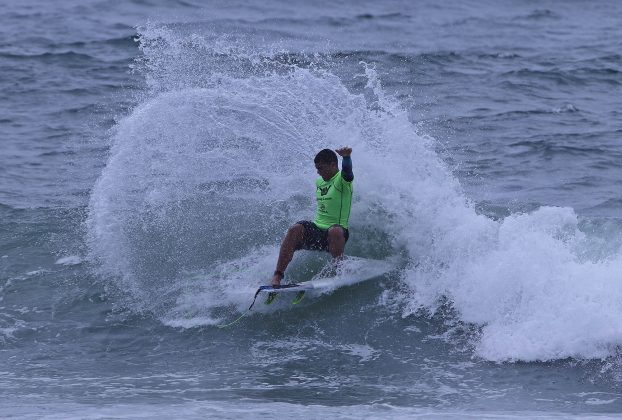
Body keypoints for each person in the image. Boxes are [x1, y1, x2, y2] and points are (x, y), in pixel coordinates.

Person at [271, 147, 354, 286]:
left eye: (320, 168)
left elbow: (348, 173)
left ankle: (340, 269)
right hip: (317, 233)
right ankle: (277, 276)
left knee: (335, 230)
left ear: (333, 165)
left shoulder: (342, 181)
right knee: (294, 229)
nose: (318, 172)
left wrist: (346, 157)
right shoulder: (319, 182)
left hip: (336, 235)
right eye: (316, 168)